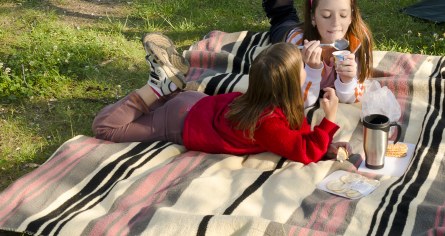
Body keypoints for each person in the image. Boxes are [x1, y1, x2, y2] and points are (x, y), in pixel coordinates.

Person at [92, 39, 350, 164]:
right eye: (303, 69)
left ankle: (166, 89)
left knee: (119, 113)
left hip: (194, 102)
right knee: (106, 126)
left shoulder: (265, 102)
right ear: (290, 85)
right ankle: (156, 88)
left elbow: (297, 135)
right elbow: (303, 152)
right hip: (181, 121)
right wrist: (329, 120)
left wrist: (325, 142)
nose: (307, 70)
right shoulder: (266, 124)